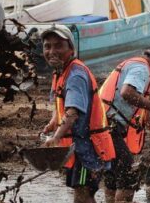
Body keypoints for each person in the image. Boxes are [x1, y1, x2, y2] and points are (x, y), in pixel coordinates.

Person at [41, 24, 116, 203]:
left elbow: (73, 113)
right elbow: (62, 104)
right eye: (47, 46)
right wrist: (54, 122)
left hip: (88, 149)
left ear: (71, 49)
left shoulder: (75, 75)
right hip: (78, 148)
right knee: (82, 194)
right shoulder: (60, 72)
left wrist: (56, 137)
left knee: (83, 196)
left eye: (59, 45)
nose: (52, 51)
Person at [99, 43, 150, 203]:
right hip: (107, 125)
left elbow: (143, 109)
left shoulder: (137, 65)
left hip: (101, 124)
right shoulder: (142, 69)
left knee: (113, 172)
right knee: (127, 171)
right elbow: (127, 93)